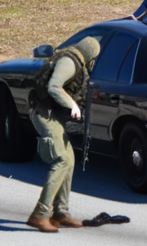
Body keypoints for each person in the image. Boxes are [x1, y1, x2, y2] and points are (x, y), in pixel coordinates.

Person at [27, 36, 100, 233]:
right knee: (62, 160)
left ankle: (60, 212)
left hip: (53, 115)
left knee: (70, 158)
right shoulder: (69, 61)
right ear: (89, 54)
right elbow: (54, 87)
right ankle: (40, 214)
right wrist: (72, 105)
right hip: (44, 113)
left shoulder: (79, 62)